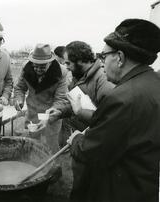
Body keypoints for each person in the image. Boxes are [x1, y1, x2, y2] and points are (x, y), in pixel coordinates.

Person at [67, 19, 160, 202]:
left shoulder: (121, 98)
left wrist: (76, 140)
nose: (101, 63)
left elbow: (93, 153)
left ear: (119, 57)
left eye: (103, 56)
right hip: (145, 185)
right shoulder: (154, 83)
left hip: (117, 190)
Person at [14, 43, 68, 153]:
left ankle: (52, 168)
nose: (38, 69)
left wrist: (47, 118)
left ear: (50, 62)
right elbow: (20, 87)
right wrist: (19, 100)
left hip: (51, 117)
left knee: (50, 148)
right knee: (30, 146)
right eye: (35, 66)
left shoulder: (61, 72)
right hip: (32, 113)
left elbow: (61, 99)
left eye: (42, 66)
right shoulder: (26, 68)